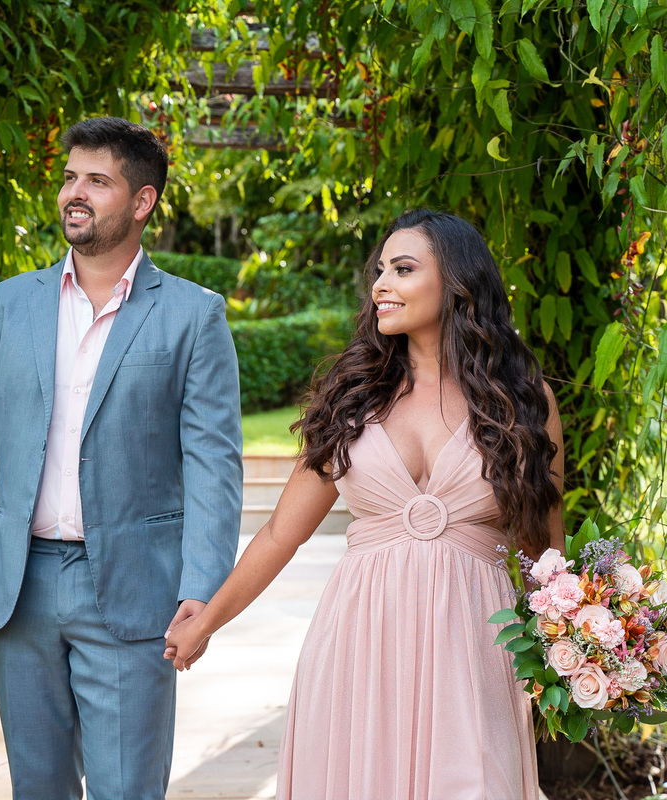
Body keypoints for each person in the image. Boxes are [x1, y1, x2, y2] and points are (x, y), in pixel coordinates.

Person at [164, 209, 564, 799]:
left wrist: (586, 651)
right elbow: (281, 534)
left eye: (403, 270)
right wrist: (208, 619)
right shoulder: (354, 397)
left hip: (476, 648)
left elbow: (546, 555)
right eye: (380, 271)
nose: (381, 285)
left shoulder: (522, 401)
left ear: (457, 283)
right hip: (362, 642)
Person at [0, 116, 242, 799]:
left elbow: (215, 465)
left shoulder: (193, 315)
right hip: (20, 588)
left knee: (127, 790)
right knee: (38, 789)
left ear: (142, 200)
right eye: (70, 177)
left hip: (133, 591)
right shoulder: (5, 307)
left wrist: (201, 593)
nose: (76, 192)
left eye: (97, 180)